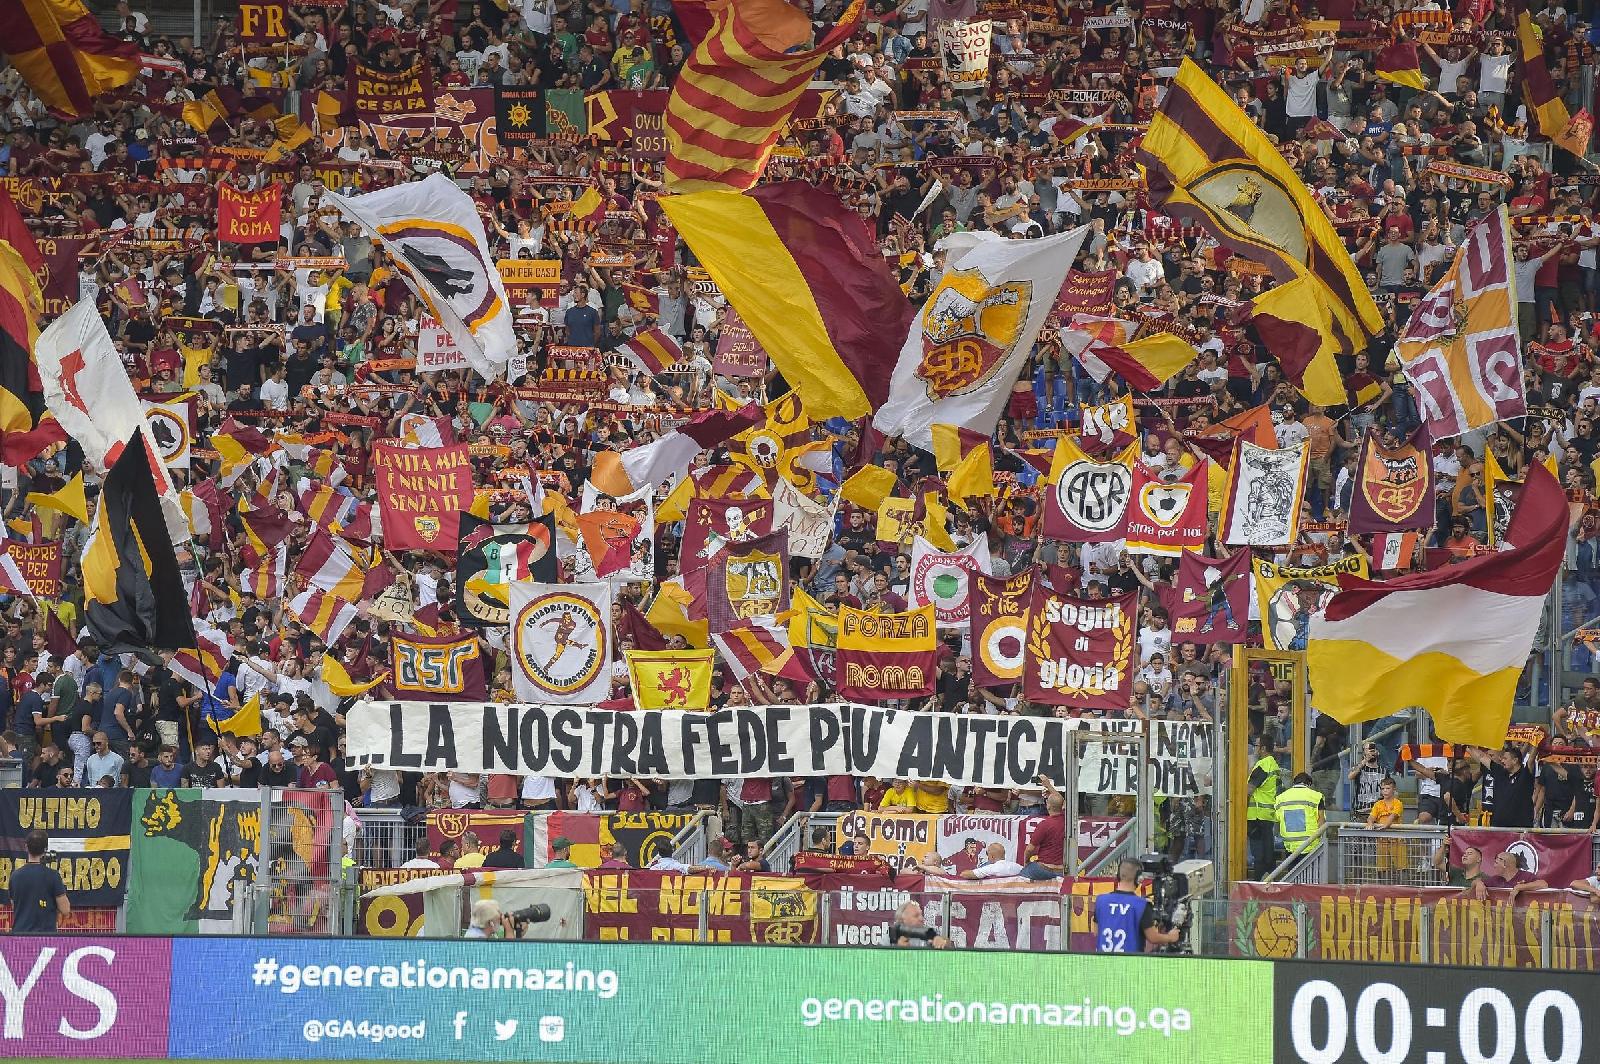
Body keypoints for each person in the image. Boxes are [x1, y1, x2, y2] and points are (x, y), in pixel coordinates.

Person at [1092, 859, 1181, 953]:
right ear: (1139, 878)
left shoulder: (1100, 900)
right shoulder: (1142, 905)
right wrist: (1171, 937)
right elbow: (1153, 938)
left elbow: (1096, 932)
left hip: (1102, 962)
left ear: (1118, 875)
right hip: (1130, 964)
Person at [8, 830, 68, 933]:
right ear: (45, 849)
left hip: (20, 935)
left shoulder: (15, 876)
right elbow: (65, 909)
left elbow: (15, 906)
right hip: (46, 936)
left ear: (26, 847)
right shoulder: (53, 876)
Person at [1246, 739, 1283, 878]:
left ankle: (1258, 881)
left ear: (1262, 748)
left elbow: (1249, 789)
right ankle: (1269, 878)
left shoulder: (1262, 765)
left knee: (1258, 852)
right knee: (1268, 850)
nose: (1255, 748)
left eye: (1256, 746)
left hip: (1256, 815)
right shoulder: (1273, 764)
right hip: (1268, 814)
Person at [1274, 772, 1326, 862]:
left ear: (1294, 783)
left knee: (1292, 873)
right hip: (1310, 844)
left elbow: (1278, 819)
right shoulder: (1316, 796)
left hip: (1289, 844)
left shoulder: (1280, 798)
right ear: (1309, 784)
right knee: (1310, 874)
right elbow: (1321, 821)